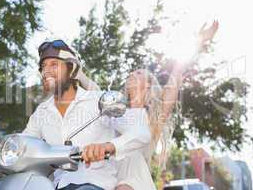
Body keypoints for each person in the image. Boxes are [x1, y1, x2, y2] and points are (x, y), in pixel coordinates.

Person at [0, 39, 151, 190]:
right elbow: (23, 147)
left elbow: (141, 133)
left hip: (93, 184)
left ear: (71, 70)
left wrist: (108, 146)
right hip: (55, 185)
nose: (46, 71)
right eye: (43, 67)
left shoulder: (98, 101)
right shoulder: (41, 113)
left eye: (54, 64)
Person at [77, 20, 219, 190]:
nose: (131, 73)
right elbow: (96, 93)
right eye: (132, 72)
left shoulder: (153, 116)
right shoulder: (116, 111)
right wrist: (78, 73)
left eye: (138, 73)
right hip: (107, 177)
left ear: (148, 85)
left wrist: (199, 41)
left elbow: (177, 71)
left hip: (133, 180)